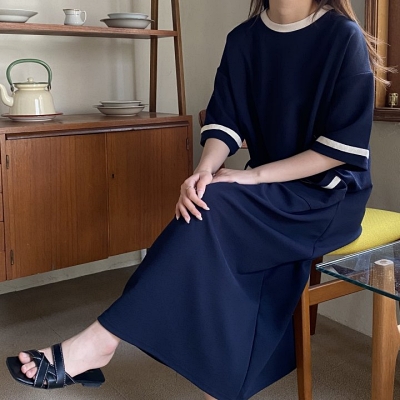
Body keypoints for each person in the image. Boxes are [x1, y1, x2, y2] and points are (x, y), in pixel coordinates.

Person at [6, 0, 381, 399]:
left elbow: (340, 148)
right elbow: (225, 120)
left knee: (214, 210)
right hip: (270, 188)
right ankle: (182, 370)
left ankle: (101, 340)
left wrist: (251, 176)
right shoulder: (245, 39)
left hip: (329, 194)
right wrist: (203, 171)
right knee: (205, 200)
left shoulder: (341, 36)